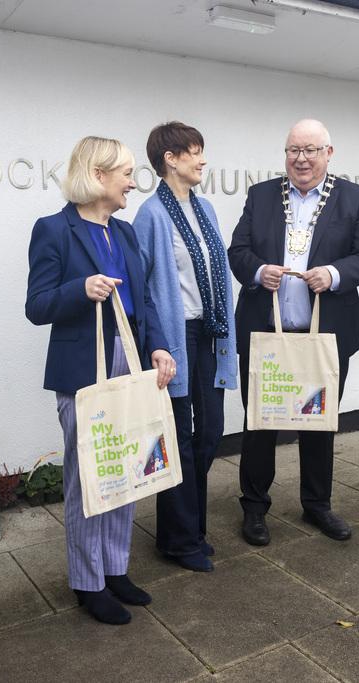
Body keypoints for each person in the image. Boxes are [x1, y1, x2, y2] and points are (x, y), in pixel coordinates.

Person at [25, 136, 175, 624]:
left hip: (130, 360)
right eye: (126, 173)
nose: (133, 181)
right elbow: (37, 305)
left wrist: (157, 347)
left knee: (127, 467)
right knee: (88, 475)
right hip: (82, 370)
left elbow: (143, 299)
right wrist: (79, 289)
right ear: (98, 175)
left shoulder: (126, 233)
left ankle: (115, 569)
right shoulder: (53, 230)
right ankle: (88, 582)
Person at [228, 118, 359, 545]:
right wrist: (258, 270)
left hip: (325, 335)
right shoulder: (262, 196)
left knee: (318, 424)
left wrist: (332, 274)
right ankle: (254, 508)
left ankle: (317, 505)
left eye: (311, 150)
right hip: (266, 332)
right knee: (259, 425)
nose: (301, 159)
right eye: (294, 150)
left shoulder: (353, 198)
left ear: (329, 154)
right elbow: (237, 251)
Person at [133, 122, 238, 573]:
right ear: (170, 158)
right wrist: (157, 344)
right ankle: (178, 539)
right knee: (178, 438)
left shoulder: (207, 208)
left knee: (210, 432)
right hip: (177, 339)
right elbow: (142, 290)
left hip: (211, 333)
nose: (202, 160)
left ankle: (191, 527)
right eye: (194, 151)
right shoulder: (150, 215)